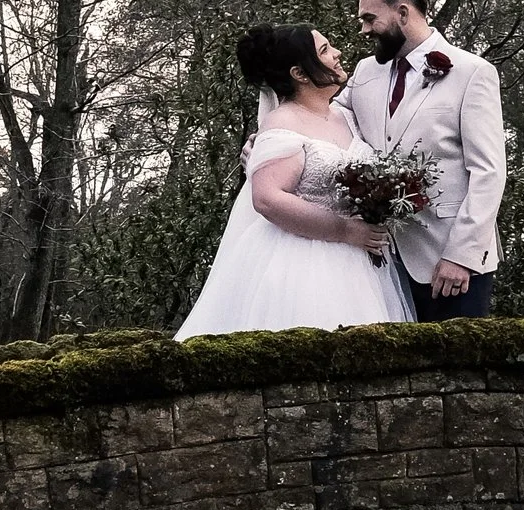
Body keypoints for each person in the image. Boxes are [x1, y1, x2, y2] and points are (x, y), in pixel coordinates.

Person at [175, 22, 416, 341]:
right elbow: (267, 198)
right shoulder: (282, 123)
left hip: (362, 264)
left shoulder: (346, 116)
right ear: (300, 74)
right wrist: (345, 231)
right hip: (305, 264)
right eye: (325, 51)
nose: (338, 54)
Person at [340, 0, 506, 318]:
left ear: (402, 13)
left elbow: (489, 172)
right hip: (381, 262)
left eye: (370, 18)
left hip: (450, 263)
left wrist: (460, 256)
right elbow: (326, 121)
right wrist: (272, 139)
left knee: (459, 368)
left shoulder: (472, 72)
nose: (364, 29)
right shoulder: (365, 72)